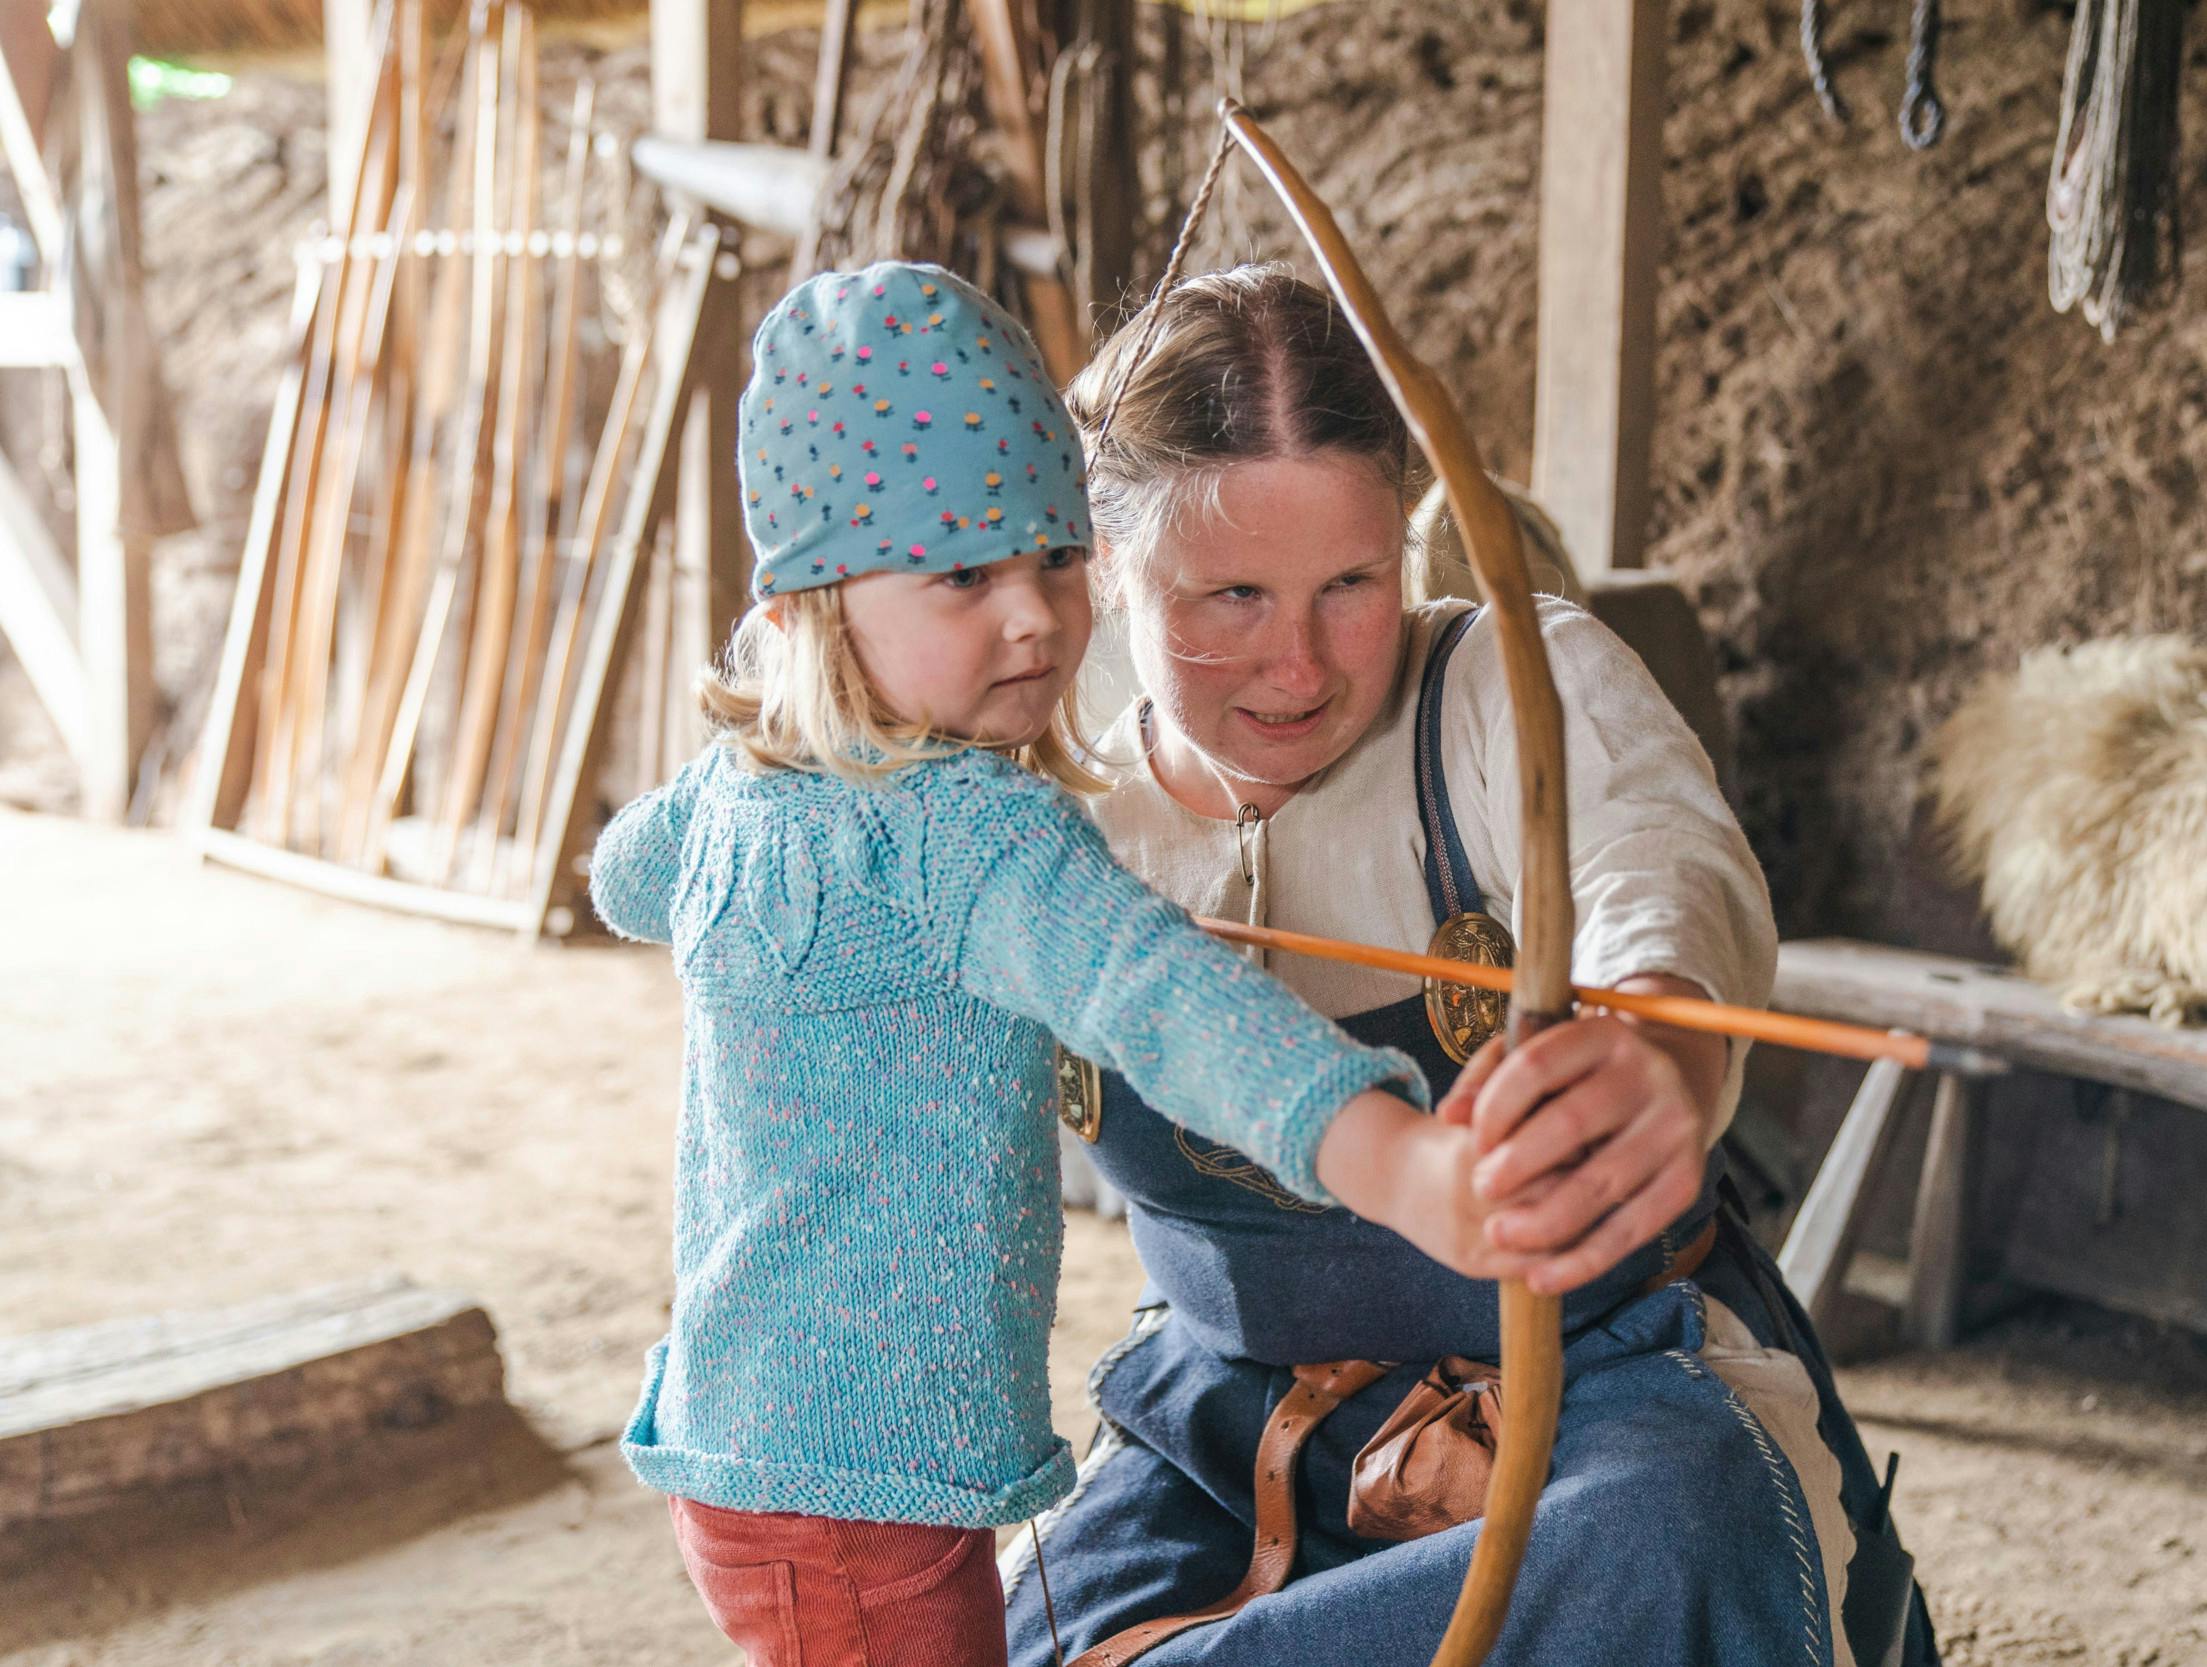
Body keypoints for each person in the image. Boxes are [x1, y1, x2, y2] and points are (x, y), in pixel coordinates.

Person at [588, 263, 1599, 1667]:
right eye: (962, 573)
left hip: (740, 1440)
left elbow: (624, 879)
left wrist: (774, 744)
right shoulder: (972, 830)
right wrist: (1407, 1166)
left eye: (1057, 558)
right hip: (870, 1493)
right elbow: (1166, 1003)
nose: (1034, 618)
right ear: (816, 598)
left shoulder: (729, 790)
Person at [1001, 264, 1937, 1666]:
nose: (1300, 665)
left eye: (1352, 585)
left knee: (1670, 1548)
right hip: (1227, 1428)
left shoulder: (1513, 682)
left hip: (1609, 1397)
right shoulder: (1041, 796)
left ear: (1408, 545)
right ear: (1109, 563)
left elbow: (1663, 875)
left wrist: (1662, 1049)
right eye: (1231, 595)